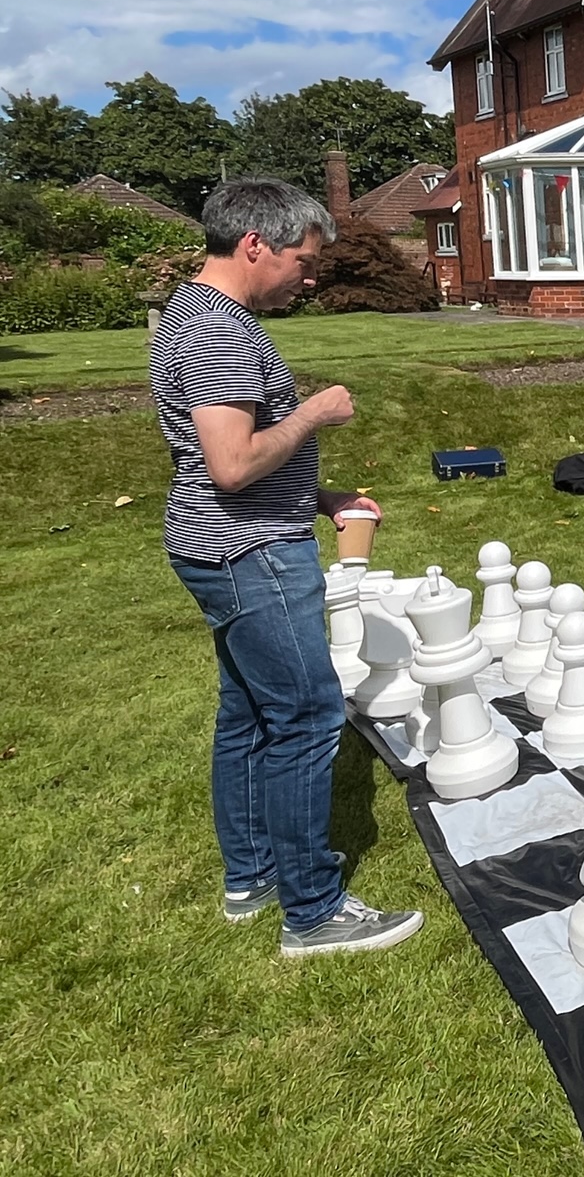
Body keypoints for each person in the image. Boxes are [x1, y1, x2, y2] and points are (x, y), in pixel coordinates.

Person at [148, 178, 422, 958]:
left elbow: (216, 464)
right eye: (302, 262)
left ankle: (252, 876)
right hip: (250, 552)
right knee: (306, 718)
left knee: (247, 715)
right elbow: (231, 467)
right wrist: (313, 414)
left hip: (222, 542)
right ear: (254, 245)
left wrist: (320, 493)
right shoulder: (219, 334)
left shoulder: (192, 315)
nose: (310, 278)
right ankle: (313, 910)